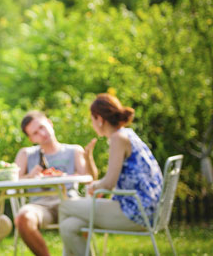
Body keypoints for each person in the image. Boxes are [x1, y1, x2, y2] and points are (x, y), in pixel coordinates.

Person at [58, 93, 163, 256]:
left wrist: (94, 186)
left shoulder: (117, 138)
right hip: (147, 208)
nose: (92, 124)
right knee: (68, 227)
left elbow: (109, 184)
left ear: (99, 119)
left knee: (63, 205)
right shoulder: (127, 134)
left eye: (92, 119)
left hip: (137, 212)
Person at [13, 110, 97, 256]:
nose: (42, 133)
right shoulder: (26, 154)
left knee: (80, 217)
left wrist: (87, 159)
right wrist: (30, 176)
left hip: (69, 201)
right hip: (40, 205)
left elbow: (90, 178)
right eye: (35, 133)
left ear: (50, 123)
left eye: (42, 127)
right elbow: (12, 181)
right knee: (22, 219)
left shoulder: (74, 150)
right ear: (31, 139)